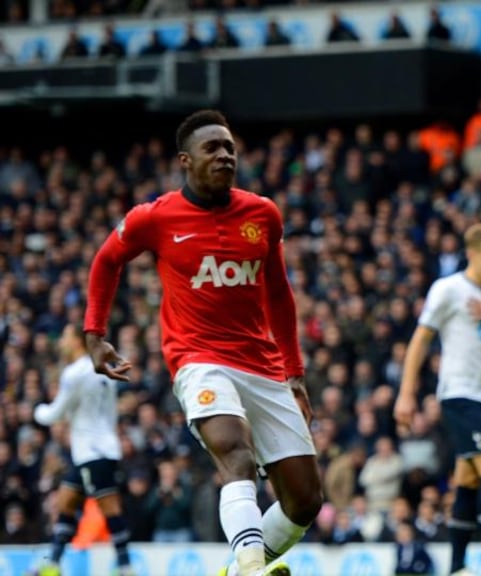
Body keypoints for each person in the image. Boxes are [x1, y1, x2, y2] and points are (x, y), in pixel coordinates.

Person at [84, 110, 323, 576]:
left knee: (305, 500)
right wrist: (94, 335)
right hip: (199, 360)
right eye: (212, 148)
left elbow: (279, 293)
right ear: (185, 161)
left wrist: (294, 372)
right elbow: (106, 261)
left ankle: (237, 571)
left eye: (230, 147)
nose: (225, 155)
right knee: (235, 450)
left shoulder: (263, 214)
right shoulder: (155, 217)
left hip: (264, 365)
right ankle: (253, 567)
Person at [394, 223, 481, 576]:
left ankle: (457, 566)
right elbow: (421, 340)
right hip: (458, 393)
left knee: (467, 477)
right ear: (472, 253)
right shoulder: (448, 290)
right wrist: (406, 394)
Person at [31, 325, 134, 576]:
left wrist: (37, 410)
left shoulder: (75, 373)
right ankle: (52, 564)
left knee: (110, 509)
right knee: (66, 502)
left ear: (77, 341)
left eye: (65, 337)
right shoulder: (100, 368)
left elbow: (55, 413)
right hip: (94, 450)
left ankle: (125, 568)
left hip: (93, 452)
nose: (62, 342)